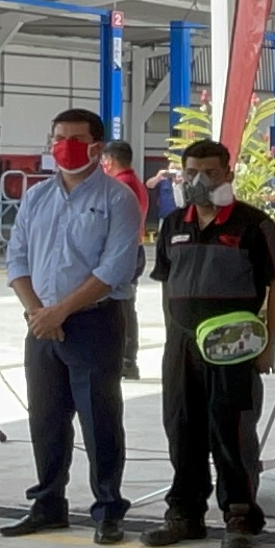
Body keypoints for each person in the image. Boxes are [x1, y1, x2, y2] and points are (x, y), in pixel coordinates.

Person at [2, 108, 142, 545]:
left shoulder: (117, 199)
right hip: (41, 325)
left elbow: (115, 267)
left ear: (96, 147)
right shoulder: (36, 197)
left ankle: (107, 509)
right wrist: (37, 313)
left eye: (74, 138)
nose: (63, 146)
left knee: (99, 417)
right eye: (57, 137)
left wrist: (60, 311)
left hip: (93, 323)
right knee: (45, 417)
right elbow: (17, 258)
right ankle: (47, 504)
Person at [146, 136, 275, 548]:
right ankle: (185, 513)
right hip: (182, 347)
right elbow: (165, 282)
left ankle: (240, 516)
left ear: (228, 173)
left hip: (237, 346)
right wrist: (172, 338)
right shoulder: (174, 224)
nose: (199, 180)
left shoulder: (253, 224)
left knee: (232, 430)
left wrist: (269, 344)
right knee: (182, 426)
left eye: (209, 172)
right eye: (191, 172)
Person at [103, 137, 150, 380]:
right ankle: (125, 359)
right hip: (132, 250)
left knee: (122, 307)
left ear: (109, 161)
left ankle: (127, 361)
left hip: (127, 252)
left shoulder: (122, 187)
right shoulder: (133, 182)